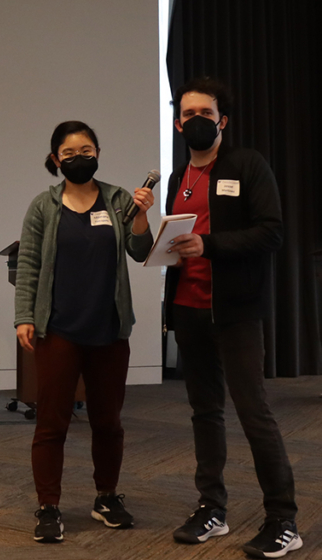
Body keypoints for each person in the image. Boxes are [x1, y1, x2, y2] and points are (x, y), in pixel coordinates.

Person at [165, 77, 301, 558]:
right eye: (186, 113)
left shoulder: (246, 165)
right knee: (205, 411)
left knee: (253, 412)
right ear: (177, 121)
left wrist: (211, 245)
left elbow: (272, 232)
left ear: (222, 120)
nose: (195, 120)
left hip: (236, 311)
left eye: (205, 112)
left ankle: (283, 519)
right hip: (189, 309)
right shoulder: (180, 178)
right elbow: (176, 243)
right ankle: (212, 509)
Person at [15, 121, 154, 543]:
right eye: (69, 153)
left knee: (108, 422)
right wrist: (24, 315)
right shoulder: (44, 206)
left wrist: (143, 215)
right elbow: (29, 265)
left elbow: (140, 251)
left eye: (87, 150)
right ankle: (48, 507)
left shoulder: (117, 199)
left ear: (99, 152)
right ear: (56, 159)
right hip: (58, 329)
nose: (79, 158)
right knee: (51, 422)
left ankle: (106, 498)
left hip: (109, 331)